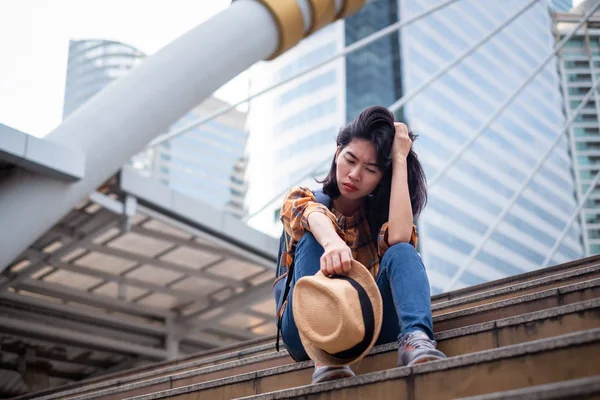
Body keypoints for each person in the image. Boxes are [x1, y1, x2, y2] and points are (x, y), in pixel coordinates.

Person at [278, 106, 446, 384]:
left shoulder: (377, 219)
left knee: (402, 250)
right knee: (311, 236)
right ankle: (325, 357)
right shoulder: (304, 197)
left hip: (366, 325)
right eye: (350, 160)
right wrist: (332, 243)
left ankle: (416, 339)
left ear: (382, 177)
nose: (355, 175)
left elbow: (401, 239)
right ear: (337, 153)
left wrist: (399, 159)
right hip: (305, 328)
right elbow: (310, 214)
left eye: (370, 169)